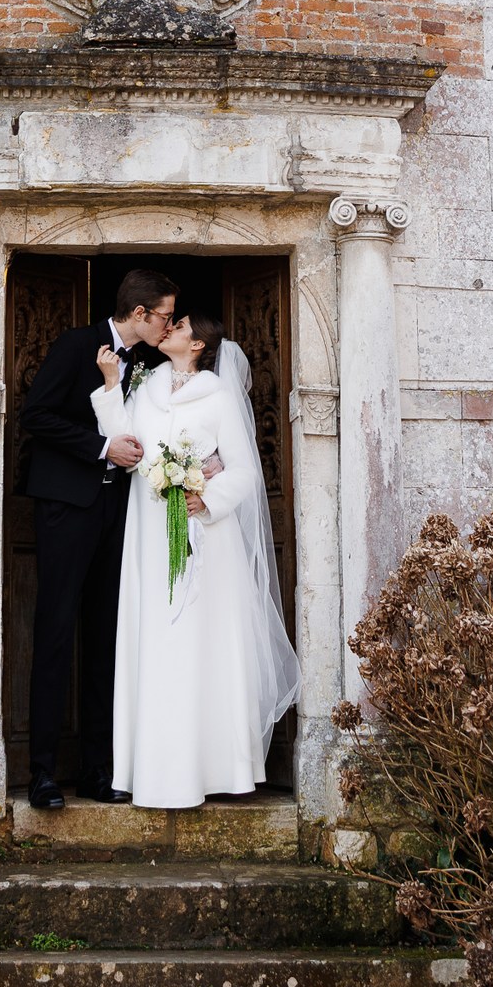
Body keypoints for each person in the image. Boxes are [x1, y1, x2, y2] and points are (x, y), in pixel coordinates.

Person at [93, 307, 300, 809]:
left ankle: (215, 768)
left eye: (180, 326)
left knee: (201, 641)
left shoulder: (220, 396)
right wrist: (109, 384)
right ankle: (152, 770)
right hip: (149, 531)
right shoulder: (146, 386)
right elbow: (126, 442)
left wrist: (206, 498)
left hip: (206, 536)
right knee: (155, 638)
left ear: (199, 344)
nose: (170, 329)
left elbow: (246, 471)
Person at [17, 267, 176, 811]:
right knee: (57, 630)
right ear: (139, 314)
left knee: (108, 638)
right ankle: (42, 773)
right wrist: (100, 448)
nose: (169, 325)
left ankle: (96, 771)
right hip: (66, 507)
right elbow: (36, 416)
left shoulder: (151, 364)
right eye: (164, 316)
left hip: (120, 511)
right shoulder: (77, 345)